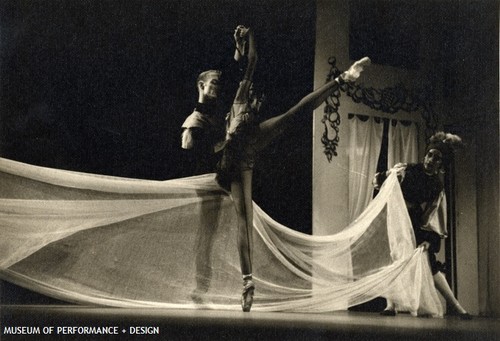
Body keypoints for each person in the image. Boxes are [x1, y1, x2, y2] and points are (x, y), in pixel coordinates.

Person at [217, 25, 371, 312]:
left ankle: (343, 78)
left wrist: (243, 42)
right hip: (232, 159)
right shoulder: (238, 99)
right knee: (242, 219)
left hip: (246, 152)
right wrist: (247, 37)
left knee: (294, 113)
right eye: (254, 100)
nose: (256, 103)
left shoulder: (251, 120)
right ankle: (248, 281)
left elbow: (249, 67)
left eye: (257, 103)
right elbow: (251, 62)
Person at [372, 131, 472, 319]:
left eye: (437, 158)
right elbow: (377, 181)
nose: (431, 160)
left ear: (441, 164)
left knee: (430, 265)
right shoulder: (408, 170)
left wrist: (429, 239)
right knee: (395, 258)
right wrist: (391, 177)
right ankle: (390, 305)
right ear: (425, 155)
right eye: (430, 155)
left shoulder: (436, 185)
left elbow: (435, 213)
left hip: (416, 222)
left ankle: (458, 307)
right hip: (397, 219)